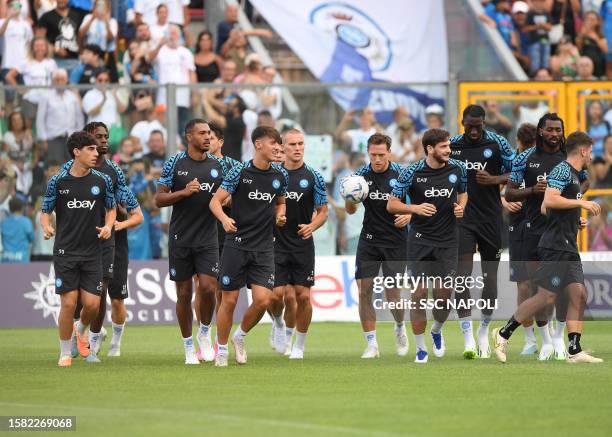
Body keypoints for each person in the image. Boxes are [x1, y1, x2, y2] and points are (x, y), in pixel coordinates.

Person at [493, 131, 603, 364]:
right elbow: (549, 201)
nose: (592, 155)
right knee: (545, 296)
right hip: (554, 245)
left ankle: (574, 350)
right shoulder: (563, 170)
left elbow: (547, 210)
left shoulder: (574, 175)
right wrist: (580, 203)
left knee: (579, 294)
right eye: (591, 151)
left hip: (567, 244)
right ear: (583, 150)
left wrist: (573, 217)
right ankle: (503, 333)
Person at [209, 126, 288, 367]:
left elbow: (281, 203)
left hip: (264, 248)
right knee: (229, 301)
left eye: (279, 144)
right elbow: (215, 201)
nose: (278, 148)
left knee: (264, 300)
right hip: (237, 245)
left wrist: (281, 215)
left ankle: (239, 337)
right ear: (258, 144)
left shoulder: (279, 176)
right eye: (273, 143)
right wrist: (224, 219)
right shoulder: (240, 172)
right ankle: (221, 349)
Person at [63, 122, 143, 358]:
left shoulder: (113, 171)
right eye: (99, 137)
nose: (105, 141)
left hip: (113, 242)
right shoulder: (68, 171)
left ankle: (101, 342)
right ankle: (85, 334)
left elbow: (133, 210)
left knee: (113, 296)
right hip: (81, 241)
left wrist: (119, 220)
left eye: (106, 137)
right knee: (80, 298)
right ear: (85, 141)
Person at [388, 128, 468, 363]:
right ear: (430, 149)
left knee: (443, 296)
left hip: (448, 241)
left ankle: (435, 330)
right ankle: (421, 349)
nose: (448, 151)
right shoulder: (411, 172)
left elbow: (463, 194)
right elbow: (392, 205)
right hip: (420, 241)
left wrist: (461, 206)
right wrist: (414, 209)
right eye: (444, 147)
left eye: (449, 146)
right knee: (419, 294)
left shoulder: (458, 168)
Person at [40, 131, 116, 367]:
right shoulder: (58, 181)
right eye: (91, 149)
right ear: (77, 152)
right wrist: (46, 226)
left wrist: (108, 226)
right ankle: (64, 352)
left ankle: (79, 332)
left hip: (93, 251)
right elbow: (45, 210)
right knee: (69, 303)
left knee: (93, 305)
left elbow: (111, 208)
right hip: (66, 252)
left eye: (96, 149)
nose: (96, 153)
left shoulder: (101, 180)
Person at [155, 119, 227, 364]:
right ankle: (188, 346)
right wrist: (184, 192)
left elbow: (228, 196)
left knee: (208, 287)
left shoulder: (219, 165)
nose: (208, 137)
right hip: (180, 237)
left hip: (208, 237)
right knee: (184, 294)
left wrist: (226, 202)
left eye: (209, 133)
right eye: (203, 133)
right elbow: (159, 199)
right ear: (189, 136)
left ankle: (204, 332)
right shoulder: (175, 163)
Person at [449, 104, 515, 359]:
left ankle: (484, 331)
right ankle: (467, 336)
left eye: (478, 126)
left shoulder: (499, 143)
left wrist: (495, 180)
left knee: (489, 279)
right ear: (462, 121)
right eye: (470, 125)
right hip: (462, 219)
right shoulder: (452, 145)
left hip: (490, 219)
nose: (474, 131)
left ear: (484, 122)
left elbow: (517, 174)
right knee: (462, 276)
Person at [344, 133, 409, 359]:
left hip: (396, 242)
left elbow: (418, 204)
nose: (377, 159)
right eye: (373, 155)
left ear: (389, 152)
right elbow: (350, 210)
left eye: (381, 154)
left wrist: (409, 217)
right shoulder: (360, 176)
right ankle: (372, 344)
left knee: (393, 295)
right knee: (364, 290)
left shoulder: (402, 174)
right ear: (368, 153)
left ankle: (400, 326)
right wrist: (350, 198)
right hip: (369, 239)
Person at [267, 129, 328, 359]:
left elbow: (323, 211)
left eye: (301, 143)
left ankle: (299, 346)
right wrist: (274, 216)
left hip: (302, 243)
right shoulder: (272, 174)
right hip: (275, 242)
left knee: (302, 296)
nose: (297, 148)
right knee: (275, 296)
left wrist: (312, 226)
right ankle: (279, 323)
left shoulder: (313, 176)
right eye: (292, 144)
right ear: (283, 147)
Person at [504, 123, 538, 356]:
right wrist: (505, 200)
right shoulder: (514, 161)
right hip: (517, 225)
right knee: (524, 283)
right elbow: (503, 189)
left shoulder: (548, 160)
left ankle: (543, 338)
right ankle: (531, 339)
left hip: (540, 225)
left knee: (538, 284)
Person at [148, 24, 196, 138]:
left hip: (182, 97)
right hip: (163, 97)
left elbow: (192, 74)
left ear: (179, 36)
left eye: (175, 33)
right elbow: (149, 59)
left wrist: (193, 94)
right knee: (164, 128)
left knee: (182, 127)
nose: (172, 36)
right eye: (170, 33)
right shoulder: (160, 50)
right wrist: (159, 44)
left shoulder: (186, 52)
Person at [36, 69, 84, 163]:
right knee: (55, 168)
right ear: (53, 81)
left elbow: (79, 118)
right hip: (53, 139)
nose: (60, 82)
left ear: (66, 81)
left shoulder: (72, 96)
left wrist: (80, 137)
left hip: (71, 138)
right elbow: (40, 119)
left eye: (62, 79)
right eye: (57, 80)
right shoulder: (46, 97)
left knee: (73, 166)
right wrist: (43, 139)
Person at [37, 0, 84, 70]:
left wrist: (81, 52)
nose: (61, 1)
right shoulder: (47, 16)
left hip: (74, 60)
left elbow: (79, 37)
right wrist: (56, 49)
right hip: (54, 60)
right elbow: (39, 38)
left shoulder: (76, 15)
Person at [0, 1, 34, 87]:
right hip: (7, 64)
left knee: (22, 97)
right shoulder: (2, 21)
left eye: (19, 5)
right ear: (7, 7)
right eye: (13, 5)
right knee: (9, 98)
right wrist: (8, 17)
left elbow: (30, 43)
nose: (16, 7)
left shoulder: (26, 24)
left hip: (24, 66)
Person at [1, 196, 34, 263]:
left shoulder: (3, 223)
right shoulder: (26, 222)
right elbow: (32, 238)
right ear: (22, 208)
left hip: (6, 260)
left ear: (10, 209)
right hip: (22, 260)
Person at [576, 11, 608, 78]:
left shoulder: (600, 35)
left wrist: (595, 38)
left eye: (592, 19)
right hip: (585, 63)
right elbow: (578, 48)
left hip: (598, 63)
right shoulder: (582, 34)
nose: (590, 22)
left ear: (597, 22)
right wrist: (582, 34)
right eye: (588, 19)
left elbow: (605, 50)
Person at [524, 0, 552, 75]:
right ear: (533, 2)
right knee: (535, 60)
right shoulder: (530, 14)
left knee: (545, 59)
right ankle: (535, 75)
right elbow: (525, 28)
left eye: (541, 1)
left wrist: (544, 26)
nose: (539, 3)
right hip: (534, 41)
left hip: (545, 40)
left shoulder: (546, 13)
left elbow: (550, 27)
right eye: (537, 1)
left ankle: (545, 74)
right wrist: (536, 26)